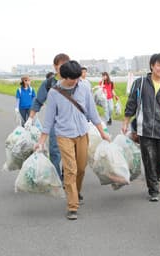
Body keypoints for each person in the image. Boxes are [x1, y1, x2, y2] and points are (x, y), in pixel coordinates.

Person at [34, 60, 110, 220]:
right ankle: (72, 205)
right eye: (73, 79)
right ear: (64, 76)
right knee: (70, 169)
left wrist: (102, 132)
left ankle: (76, 190)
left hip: (82, 133)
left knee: (81, 168)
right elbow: (48, 120)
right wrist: (41, 141)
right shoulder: (54, 93)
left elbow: (92, 111)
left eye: (78, 78)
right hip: (64, 135)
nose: (76, 81)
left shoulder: (83, 87)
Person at [122, 53, 160, 202]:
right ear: (152, 66)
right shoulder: (140, 83)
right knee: (149, 158)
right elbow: (131, 104)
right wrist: (125, 122)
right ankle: (153, 189)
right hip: (145, 129)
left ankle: (157, 175)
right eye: (159, 65)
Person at [25, 53, 70, 181]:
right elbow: (38, 101)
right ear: (55, 67)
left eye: (66, 65)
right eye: (61, 66)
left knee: (70, 153)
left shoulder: (73, 80)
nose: (64, 68)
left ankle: (68, 177)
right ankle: (56, 178)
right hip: (54, 123)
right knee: (55, 152)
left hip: (71, 123)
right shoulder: (49, 83)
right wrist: (30, 118)